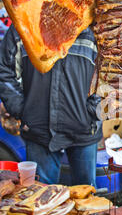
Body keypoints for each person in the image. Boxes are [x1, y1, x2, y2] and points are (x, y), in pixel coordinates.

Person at [0, 24, 102, 186]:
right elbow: (4, 69)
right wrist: (22, 109)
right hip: (38, 131)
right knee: (40, 198)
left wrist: (93, 111)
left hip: (85, 130)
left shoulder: (93, 27)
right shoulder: (25, 22)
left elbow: (111, 73)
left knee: (87, 199)